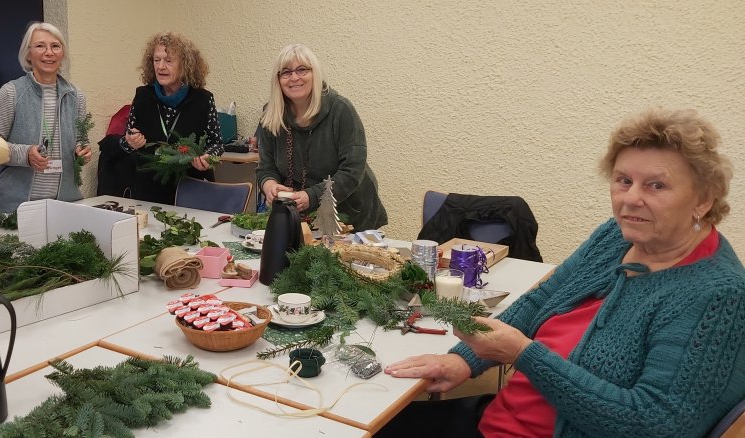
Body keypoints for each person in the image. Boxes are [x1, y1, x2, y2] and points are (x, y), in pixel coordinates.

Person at [379, 107, 745, 438]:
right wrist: (465, 359)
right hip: (502, 417)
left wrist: (523, 354)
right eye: (623, 180)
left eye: (657, 185)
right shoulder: (614, 236)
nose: (631, 198)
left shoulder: (717, 294)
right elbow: (542, 298)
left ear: (703, 199)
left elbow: (656, 425)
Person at [255, 44, 387, 231]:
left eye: (302, 70)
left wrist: (312, 195)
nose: (294, 78)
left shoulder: (340, 109)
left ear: (314, 73)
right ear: (278, 79)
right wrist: (270, 186)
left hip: (350, 215)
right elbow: (265, 167)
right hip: (302, 217)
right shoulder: (271, 114)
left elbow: (352, 170)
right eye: (286, 72)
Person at [0, 22, 91, 215]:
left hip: (64, 206)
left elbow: (81, 140)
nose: (48, 52)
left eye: (55, 46)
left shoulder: (77, 96)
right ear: (27, 54)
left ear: (62, 54)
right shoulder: (10, 93)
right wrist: (25, 154)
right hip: (15, 209)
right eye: (40, 46)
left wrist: (82, 151)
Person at [116, 32, 223, 204]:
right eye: (156, 60)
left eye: (168, 60)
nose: (161, 67)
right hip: (148, 189)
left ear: (186, 65)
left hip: (191, 189)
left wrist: (208, 158)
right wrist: (130, 142)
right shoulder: (143, 96)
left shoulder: (203, 99)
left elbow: (216, 143)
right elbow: (125, 141)